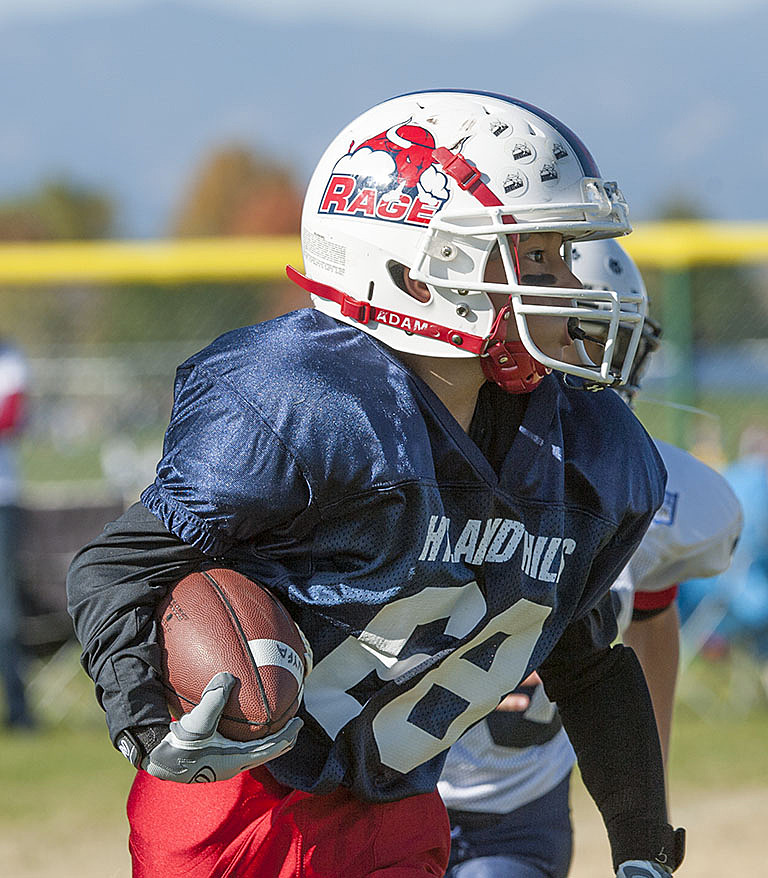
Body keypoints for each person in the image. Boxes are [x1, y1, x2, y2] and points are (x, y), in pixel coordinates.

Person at [66, 90, 685, 878]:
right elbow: (117, 568)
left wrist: (642, 845)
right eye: (535, 255)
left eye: (562, 254)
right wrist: (149, 726)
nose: (569, 281)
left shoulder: (586, 447)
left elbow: (588, 661)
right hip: (234, 805)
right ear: (415, 266)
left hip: (398, 806)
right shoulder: (311, 401)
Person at [439, 238, 742, 878]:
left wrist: (643, 812)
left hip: (515, 815)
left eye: (589, 338)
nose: (571, 359)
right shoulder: (412, 466)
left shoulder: (642, 486)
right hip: (378, 793)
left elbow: (651, 623)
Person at [0, 336, 33, 728]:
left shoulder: (11, 357)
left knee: (6, 612)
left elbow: (9, 417)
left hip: (2, 500)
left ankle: (19, 711)